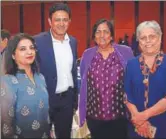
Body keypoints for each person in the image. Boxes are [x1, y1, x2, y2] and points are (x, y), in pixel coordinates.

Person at [79, 19, 134, 138]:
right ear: (94, 36)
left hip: (120, 116)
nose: (102, 35)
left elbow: (133, 79)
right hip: (94, 117)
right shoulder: (87, 54)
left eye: (106, 31)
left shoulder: (126, 52)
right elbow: (83, 82)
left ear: (112, 35)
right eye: (98, 32)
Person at [124, 20, 166, 138]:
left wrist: (141, 118)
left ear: (160, 37)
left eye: (152, 36)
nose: (147, 41)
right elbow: (126, 95)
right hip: (136, 129)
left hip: (165, 127)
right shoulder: (131, 64)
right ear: (139, 42)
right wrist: (138, 121)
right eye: (143, 38)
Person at [34, 3, 78, 138]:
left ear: (69, 21)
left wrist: (74, 98)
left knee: (64, 135)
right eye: (57, 20)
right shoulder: (37, 41)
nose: (61, 23)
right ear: (50, 21)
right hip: (45, 99)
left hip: (67, 100)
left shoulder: (72, 41)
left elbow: (73, 71)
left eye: (65, 20)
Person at [1, 33, 50, 138]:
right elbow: (6, 124)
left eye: (32, 48)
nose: (29, 52)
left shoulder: (40, 77)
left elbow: (46, 111)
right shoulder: (7, 82)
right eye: (23, 49)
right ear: (13, 55)